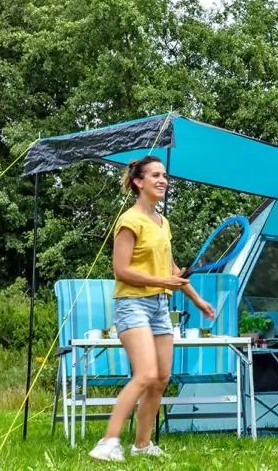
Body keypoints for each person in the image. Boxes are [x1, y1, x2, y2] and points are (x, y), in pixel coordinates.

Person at [88, 155, 215, 462]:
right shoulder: (129, 221)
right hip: (132, 303)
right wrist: (161, 280)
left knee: (161, 378)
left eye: (165, 176)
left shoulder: (162, 222)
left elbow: (170, 269)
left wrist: (196, 299)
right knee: (144, 374)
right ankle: (107, 443)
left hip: (159, 306)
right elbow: (120, 271)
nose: (163, 180)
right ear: (138, 182)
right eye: (155, 175)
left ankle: (142, 444)